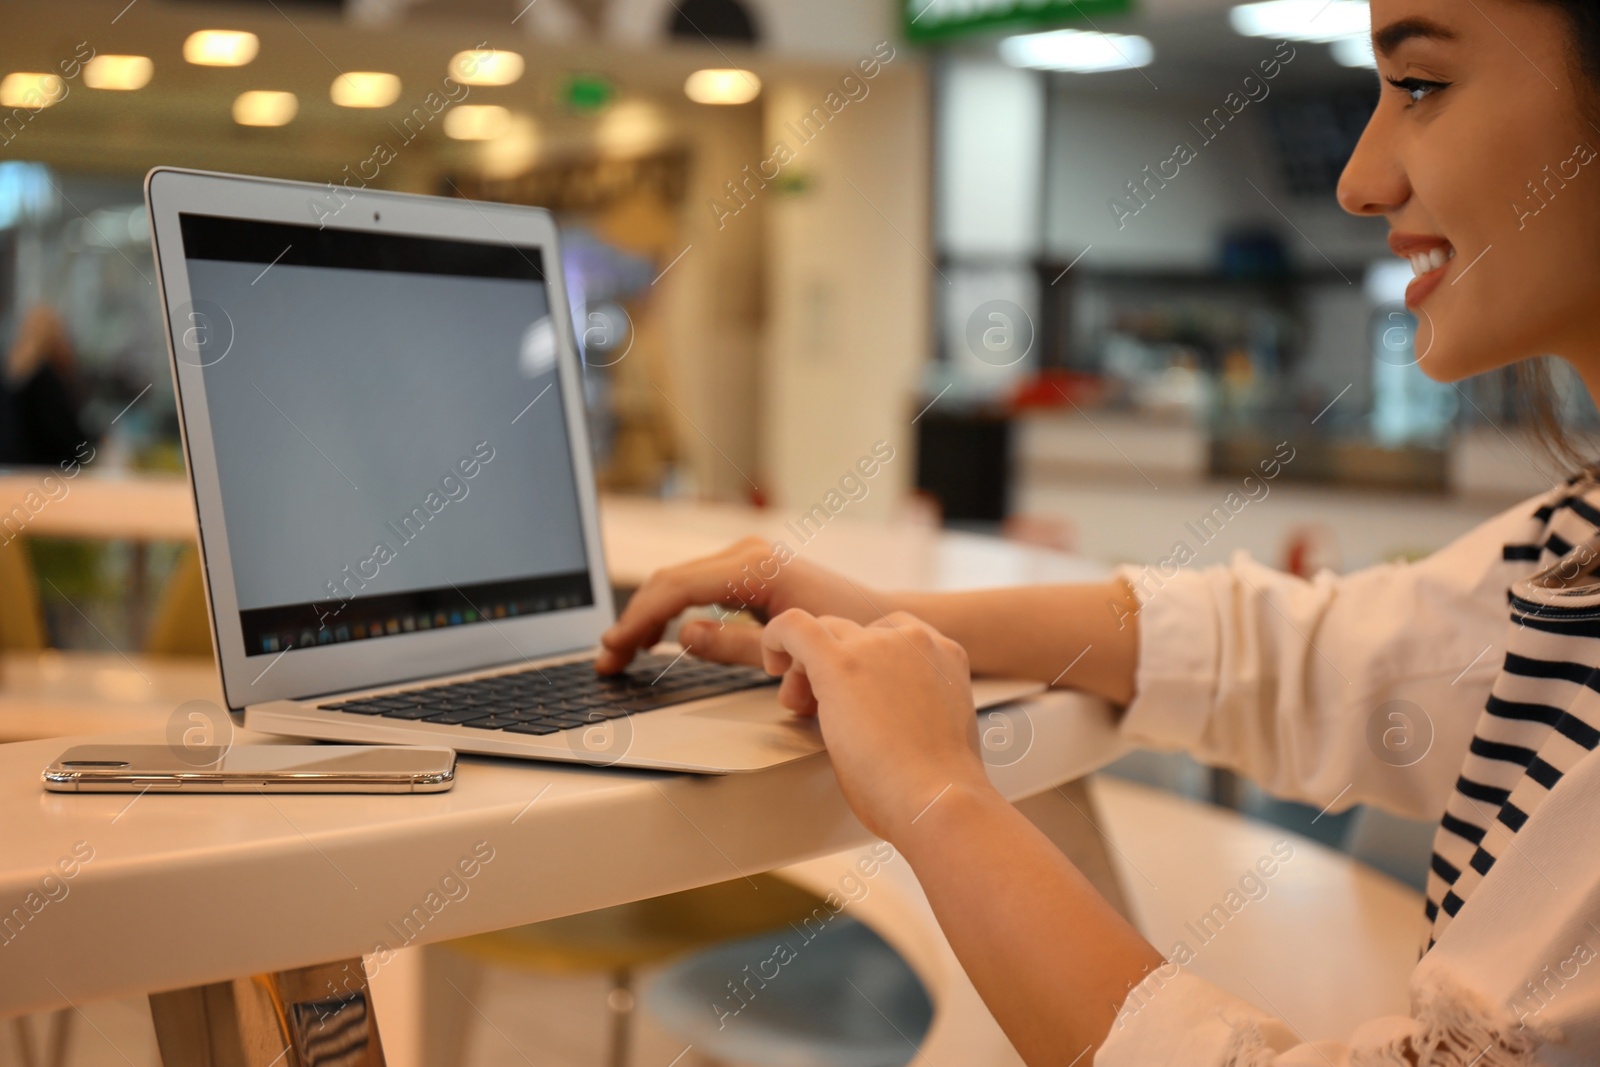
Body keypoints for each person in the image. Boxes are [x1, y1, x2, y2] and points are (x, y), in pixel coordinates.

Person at [601, 1, 1600, 1062]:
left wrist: (938, 795)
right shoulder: (1568, 541)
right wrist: (888, 616)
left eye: (1420, 86)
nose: (1360, 179)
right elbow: (1294, 651)